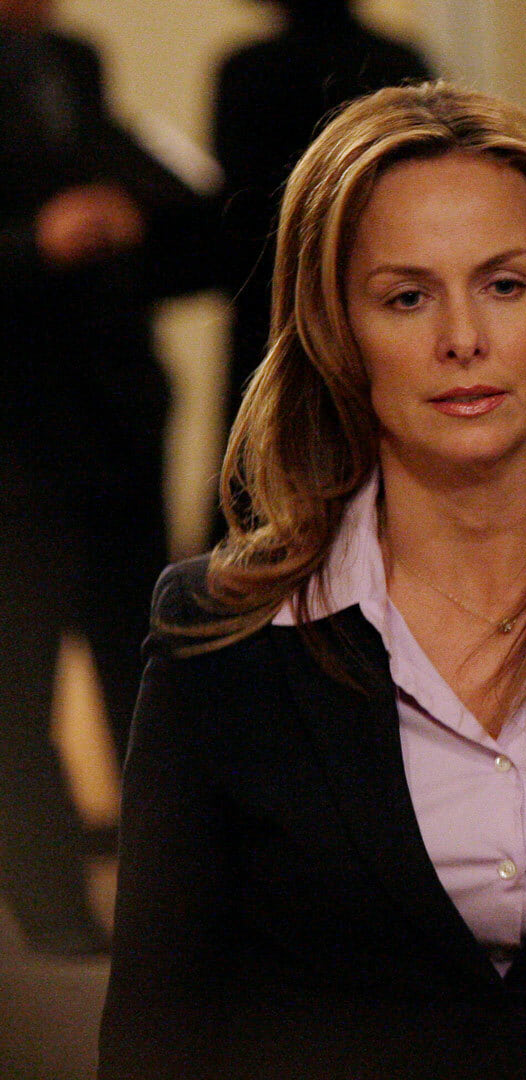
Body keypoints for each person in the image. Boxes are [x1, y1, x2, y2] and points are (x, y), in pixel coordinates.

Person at [98, 83, 526, 1080]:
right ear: (337, 329)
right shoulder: (220, 637)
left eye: (505, 285)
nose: (463, 338)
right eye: (407, 297)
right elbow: (155, 1030)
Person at [0, 0, 215, 955]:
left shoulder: (74, 60)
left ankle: (170, 903)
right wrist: (35, 244)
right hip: (14, 443)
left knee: (150, 671)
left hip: (114, 423)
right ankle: (53, 914)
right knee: (16, 687)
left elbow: (167, 214)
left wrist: (136, 216)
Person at [211, 0, 431, 487]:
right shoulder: (398, 61)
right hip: (390, 302)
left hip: (271, 310)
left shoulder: (249, 70)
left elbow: (237, 217)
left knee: (272, 479)